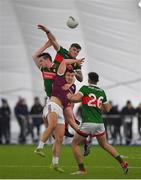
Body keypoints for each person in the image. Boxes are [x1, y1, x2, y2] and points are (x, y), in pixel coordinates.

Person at [67, 72, 128, 175]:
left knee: (74, 144)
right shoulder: (101, 92)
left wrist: (68, 94)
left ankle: (82, 169)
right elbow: (108, 108)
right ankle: (123, 162)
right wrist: (96, 106)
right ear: (97, 81)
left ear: (89, 80)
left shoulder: (85, 88)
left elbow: (74, 99)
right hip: (99, 123)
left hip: (87, 122)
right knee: (104, 144)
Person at [34, 58, 84, 172]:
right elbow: (64, 61)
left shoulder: (72, 87)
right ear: (64, 75)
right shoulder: (60, 77)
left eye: (72, 76)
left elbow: (69, 104)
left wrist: (72, 97)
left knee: (59, 139)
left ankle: (55, 164)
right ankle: (39, 147)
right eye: (68, 75)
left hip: (60, 110)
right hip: (52, 105)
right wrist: (76, 61)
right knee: (52, 125)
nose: (70, 77)